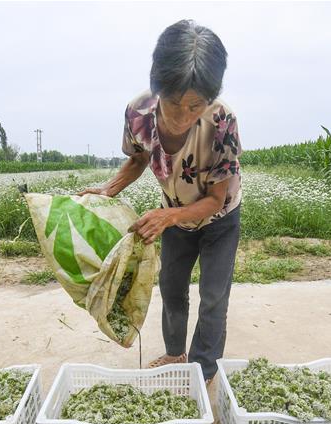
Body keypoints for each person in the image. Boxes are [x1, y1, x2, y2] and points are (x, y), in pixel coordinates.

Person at [79, 19, 241, 384]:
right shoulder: (138, 114)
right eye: (173, 103)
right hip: (173, 215)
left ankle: (202, 369)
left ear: (209, 99)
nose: (182, 116)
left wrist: (167, 217)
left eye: (195, 105)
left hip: (219, 219)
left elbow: (216, 199)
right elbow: (137, 158)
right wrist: (108, 189)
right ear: (157, 87)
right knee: (171, 285)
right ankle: (174, 352)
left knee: (214, 295)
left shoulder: (222, 121)